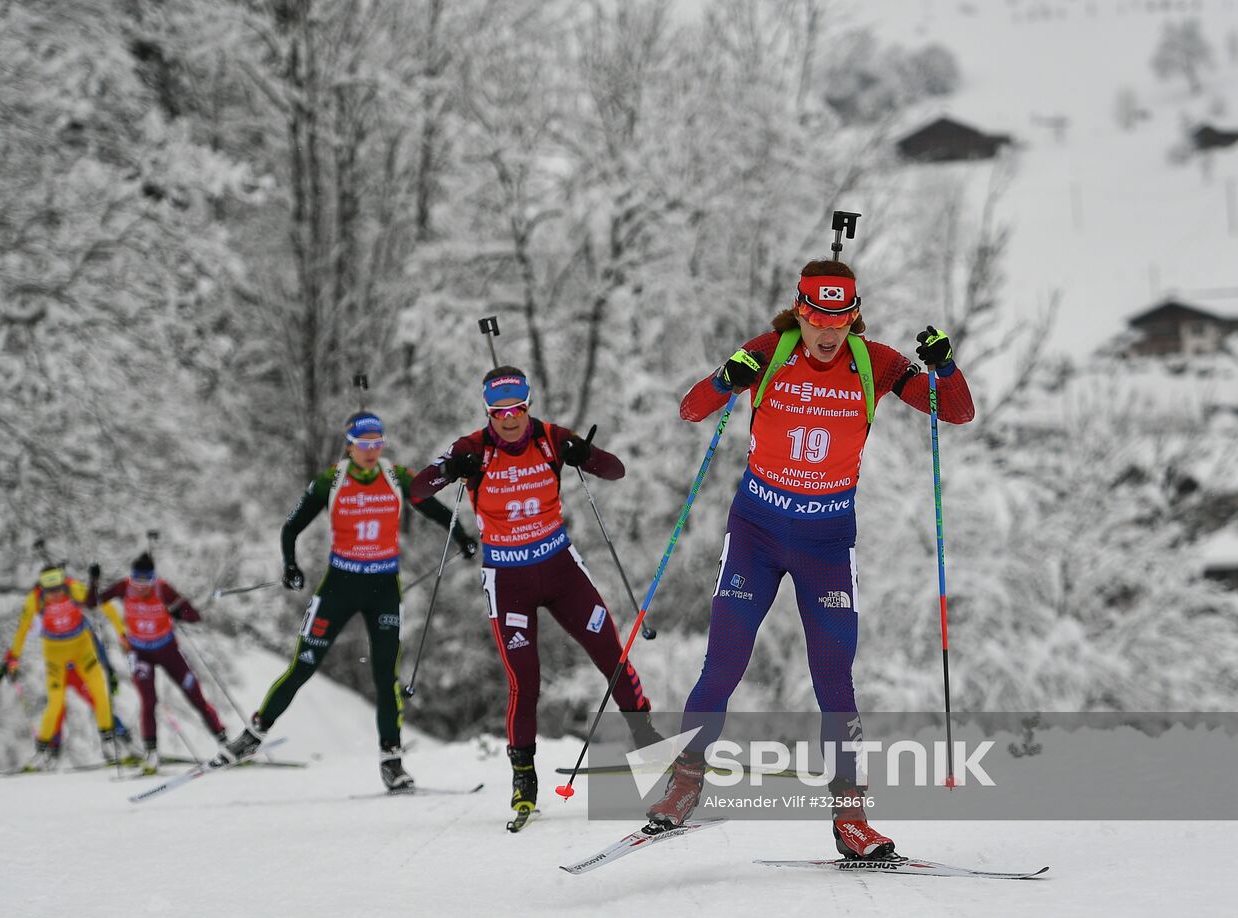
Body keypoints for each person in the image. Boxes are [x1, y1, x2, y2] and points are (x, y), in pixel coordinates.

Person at [644, 259, 975, 860]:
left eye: (840, 317)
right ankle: (684, 781)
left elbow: (954, 411)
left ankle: (851, 816)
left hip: (826, 544)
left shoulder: (875, 362)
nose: (828, 330)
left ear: (854, 315)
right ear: (800, 310)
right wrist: (727, 377)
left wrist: (944, 366)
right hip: (757, 534)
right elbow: (692, 408)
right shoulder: (771, 350)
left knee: (834, 679)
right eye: (817, 316)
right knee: (723, 665)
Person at [410, 367, 656, 823]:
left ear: (529, 405)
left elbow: (615, 470)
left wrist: (586, 453)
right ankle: (524, 778)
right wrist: (448, 470)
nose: (510, 420)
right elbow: (418, 488)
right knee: (526, 682)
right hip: (508, 582)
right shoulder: (473, 449)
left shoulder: (550, 439)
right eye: (499, 412)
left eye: (518, 409)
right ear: (488, 413)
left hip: (560, 570)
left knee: (612, 657)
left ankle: (651, 744)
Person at [217, 412, 477, 790]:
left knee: (385, 677)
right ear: (349, 445)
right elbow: (291, 527)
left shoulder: (396, 476)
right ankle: (252, 736)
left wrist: (462, 537)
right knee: (303, 664)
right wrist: (290, 566)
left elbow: (434, 507)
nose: (371, 451)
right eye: (363, 444)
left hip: (384, 587)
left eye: (377, 443)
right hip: (340, 585)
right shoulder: (331, 480)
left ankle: (392, 762)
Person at [93, 553, 227, 774]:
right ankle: (151, 754)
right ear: (131, 579)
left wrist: (178, 612)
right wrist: (94, 582)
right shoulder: (123, 587)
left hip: (167, 651)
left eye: (147, 583)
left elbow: (193, 615)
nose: (141, 588)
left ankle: (224, 742)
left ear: (154, 579)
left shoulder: (162, 589)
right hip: (140, 652)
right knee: (148, 700)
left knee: (195, 695)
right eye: (137, 583)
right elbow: (93, 601)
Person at [0, 565, 130, 770]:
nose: (55, 596)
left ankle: (111, 744)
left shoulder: (74, 589)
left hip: (83, 653)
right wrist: (12, 659)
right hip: (56, 657)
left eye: (58, 589)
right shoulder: (35, 600)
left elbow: (107, 607)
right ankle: (44, 752)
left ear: (63, 584)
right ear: (42, 589)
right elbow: (22, 630)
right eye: (50, 592)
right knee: (55, 705)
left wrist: (123, 634)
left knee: (100, 695)